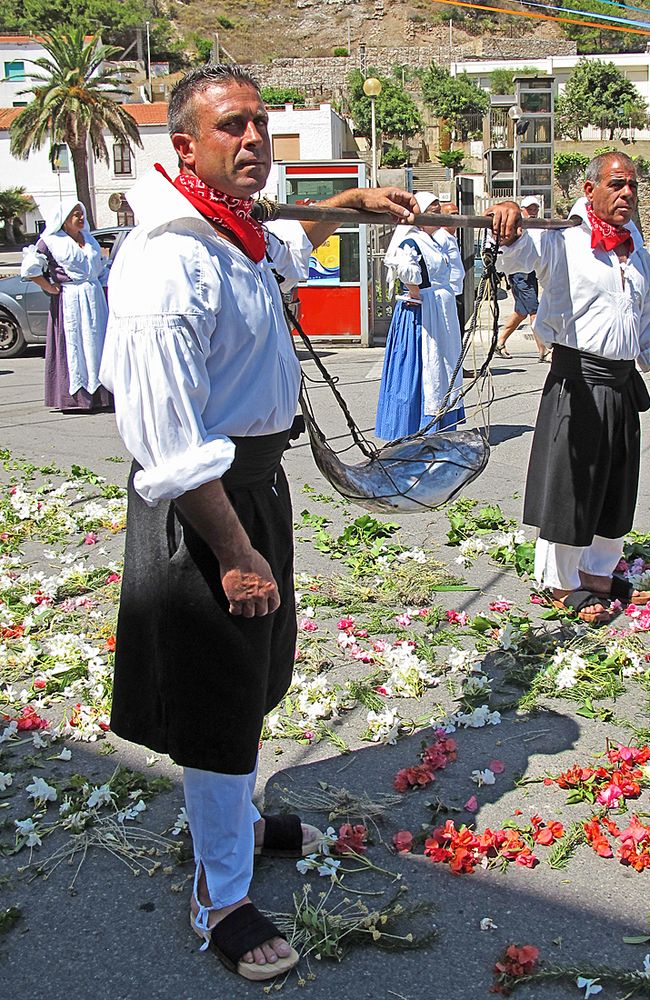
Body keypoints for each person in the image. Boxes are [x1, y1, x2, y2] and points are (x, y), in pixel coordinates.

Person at [99, 64, 418, 982]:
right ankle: (221, 898)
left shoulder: (236, 230)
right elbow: (166, 440)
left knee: (251, 676)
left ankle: (233, 822)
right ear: (185, 145)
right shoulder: (168, 259)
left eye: (260, 126)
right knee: (215, 694)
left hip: (254, 489)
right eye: (231, 127)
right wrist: (233, 551)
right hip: (203, 504)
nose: (252, 141)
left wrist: (349, 201)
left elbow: (291, 244)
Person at [486, 152, 650, 625]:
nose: (627, 194)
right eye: (616, 185)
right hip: (576, 381)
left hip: (620, 382)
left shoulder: (634, 243)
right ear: (589, 189)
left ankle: (597, 572)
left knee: (615, 485)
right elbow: (519, 255)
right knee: (571, 487)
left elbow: (649, 316)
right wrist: (509, 220)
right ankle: (560, 581)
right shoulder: (561, 235)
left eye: (632, 185)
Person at [375, 190, 464, 440]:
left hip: (438, 312)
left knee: (443, 365)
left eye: (438, 209)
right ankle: (414, 428)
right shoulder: (411, 240)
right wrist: (417, 294)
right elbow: (405, 268)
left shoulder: (434, 239)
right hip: (423, 314)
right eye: (432, 210)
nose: (437, 213)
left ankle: (439, 426)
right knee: (424, 367)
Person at [21, 199, 113, 412]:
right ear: (63, 220)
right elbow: (30, 267)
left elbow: (100, 269)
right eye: (75, 214)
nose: (80, 218)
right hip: (71, 299)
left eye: (81, 214)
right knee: (76, 345)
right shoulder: (51, 240)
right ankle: (76, 398)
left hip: (94, 298)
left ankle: (101, 396)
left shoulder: (89, 239)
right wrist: (50, 287)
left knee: (96, 342)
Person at [495, 195, 549, 362]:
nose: (533, 212)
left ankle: (500, 341)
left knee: (521, 312)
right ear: (522, 210)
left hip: (531, 271)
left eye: (535, 208)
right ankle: (544, 350)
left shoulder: (539, 226)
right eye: (529, 209)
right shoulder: (515, 226)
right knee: (534, 310)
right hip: (518, 274)